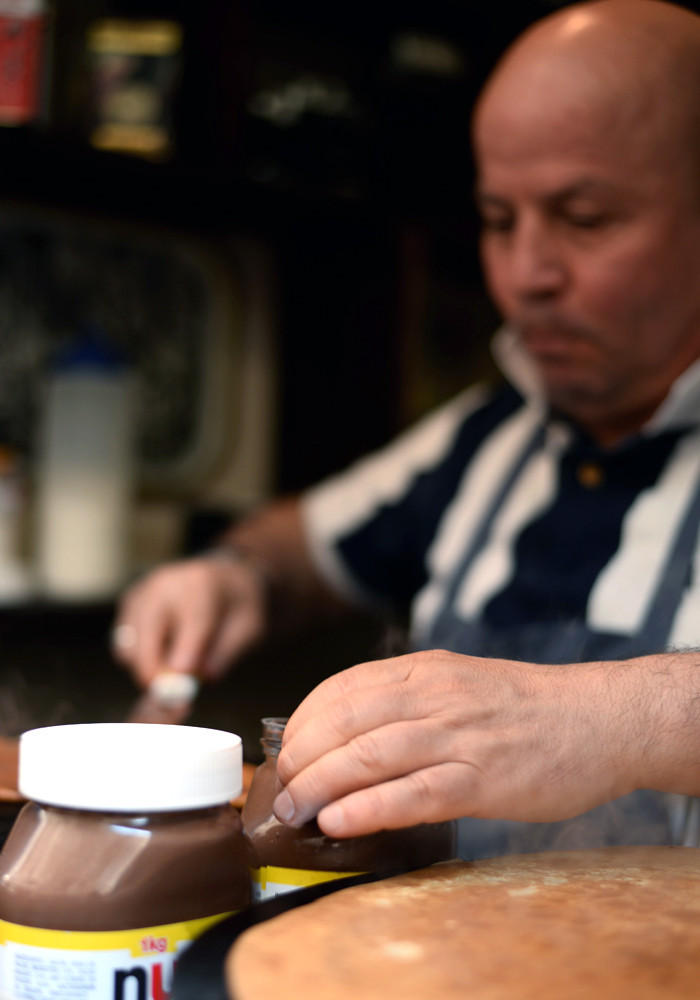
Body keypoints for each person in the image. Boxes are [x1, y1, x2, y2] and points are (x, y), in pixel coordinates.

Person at [113, 0, 700, 855]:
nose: (526, 274)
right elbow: (298, 550)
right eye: (500, 222)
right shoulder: (485, 441)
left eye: (585, 218)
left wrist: (616, 719)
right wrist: (230, 577)